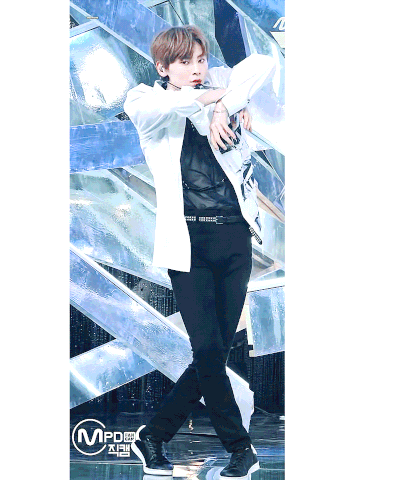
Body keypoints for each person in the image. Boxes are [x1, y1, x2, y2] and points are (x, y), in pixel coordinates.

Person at [124, 25, 275, 480]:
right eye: (185, 62)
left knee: (212, 357)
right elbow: (161, 107)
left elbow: (263, 63)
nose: (196, 69)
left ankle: (153, 437)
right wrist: (211, 100)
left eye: (201, 60)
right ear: (162, 67)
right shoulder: (145, 100)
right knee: (208, 348)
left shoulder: (221, 90)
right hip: (189, 245)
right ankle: (240, 449)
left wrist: (226, 103)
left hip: (235, 240)